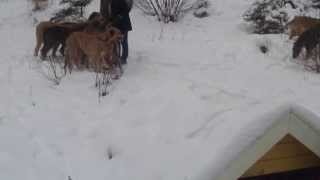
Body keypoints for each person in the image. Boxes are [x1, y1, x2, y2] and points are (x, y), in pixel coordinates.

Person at [110, 0, 133, 65]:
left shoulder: (121, 1)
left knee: (123, 42)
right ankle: (116, 57)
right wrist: (112, 19)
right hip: (116, 25)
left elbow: (126, 10)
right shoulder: (112, 1)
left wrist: (119, 17)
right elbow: (113, 12)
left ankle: (124, 59)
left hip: (123, 25)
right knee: (116, 42)